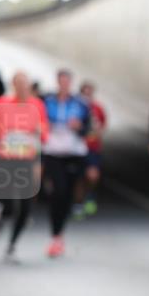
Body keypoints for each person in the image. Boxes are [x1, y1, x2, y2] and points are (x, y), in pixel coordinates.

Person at [0, 71, 49, 263]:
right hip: (6, 157)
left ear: (29, 87)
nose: (22, 88)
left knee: (26, 206)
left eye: (25, 84)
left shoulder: (37, 105)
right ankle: (2, 212)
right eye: (19, 84)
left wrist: (40, 132)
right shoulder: (1, 103)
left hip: (27, 158)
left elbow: (45, 130)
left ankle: (12, 246)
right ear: (13, 85)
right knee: (10, 201)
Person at [41, 69, 91, 258]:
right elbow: (37, 122)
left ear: (70, 83)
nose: (64, 84)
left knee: (68, 195)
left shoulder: (81, 103)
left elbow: (89, 129)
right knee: (58, 191)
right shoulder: (47, 102)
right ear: (57, 82)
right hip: (53, 152)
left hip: (74, 153)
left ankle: (60, 234)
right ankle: (55, 235)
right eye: (61, 81)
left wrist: (80, 127)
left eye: (67, 81)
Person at [74, 80, 107, 218]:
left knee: (92, 176)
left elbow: (103, 127)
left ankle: (90, 195)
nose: (87, 96)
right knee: (78, 178)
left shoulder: (97, 109)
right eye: (84, 93)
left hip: (93, 148)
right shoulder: (75, 107)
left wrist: (97, 132)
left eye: (90, 93)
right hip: (77, 148)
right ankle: (78, 203)